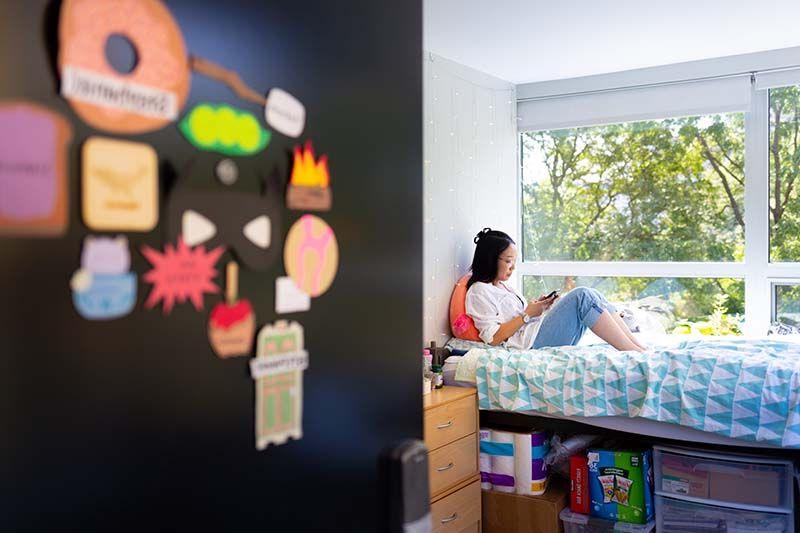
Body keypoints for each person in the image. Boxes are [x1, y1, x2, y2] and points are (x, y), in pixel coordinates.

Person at [464, 228, 646, 352]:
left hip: (536, 330)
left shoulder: (504, 287)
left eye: (514, 262)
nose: (512, 267)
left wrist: (538, 307)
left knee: (594, 295)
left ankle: (637, 347)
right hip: (531, 343)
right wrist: (527, 314)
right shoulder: (479, 291)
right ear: (490, 259)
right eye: (508, 261)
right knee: (582, 296)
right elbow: (493, 338)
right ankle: (632, 351)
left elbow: (518, 316)